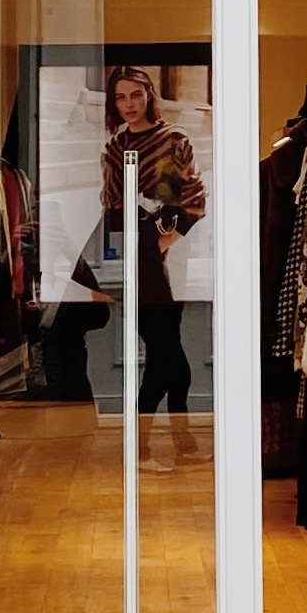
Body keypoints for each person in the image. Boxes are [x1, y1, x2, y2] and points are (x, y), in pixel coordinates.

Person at [88, 62, 207, 448]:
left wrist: (161, 244)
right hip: (137, 259)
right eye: (120, 97)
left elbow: (191, 202)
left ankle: (151, 439)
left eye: (135, 94)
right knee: (165, 350)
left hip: (171, 252)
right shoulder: (114, 147)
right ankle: (174, 439)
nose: (128, 104)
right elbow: (112, 209)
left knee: (165, 350)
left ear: (149, 95)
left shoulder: (174, 139)